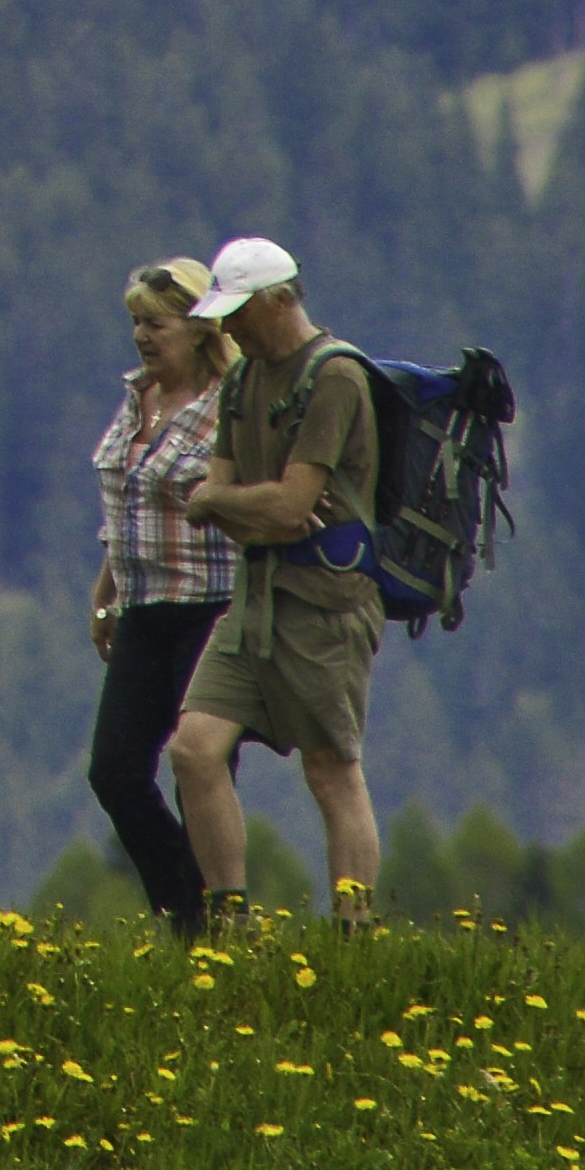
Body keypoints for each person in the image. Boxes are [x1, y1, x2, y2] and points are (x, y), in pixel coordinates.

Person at [168, 233, 388, 921]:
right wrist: (244, 508)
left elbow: (287, 505)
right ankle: (229, 922)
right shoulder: (242, 377)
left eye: (238, 311)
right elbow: (234, 500)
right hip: (255, 597)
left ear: (279, 300)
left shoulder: (335, 377)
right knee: (194, 750)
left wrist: (230, 504)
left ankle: (355, 935)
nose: (227, 327)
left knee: (331, 770)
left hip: (325, 603)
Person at [79, 257, 236, 927]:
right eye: (136, 322)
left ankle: (203, 930)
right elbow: (125, 500)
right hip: (143, 606)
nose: (143, 336)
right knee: (114, 771)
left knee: (198, 770)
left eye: (157, 324)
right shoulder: (137, 395)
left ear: (198, 329)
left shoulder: (227, 406)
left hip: (211, 606)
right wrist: (105, 587)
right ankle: (187, 902)